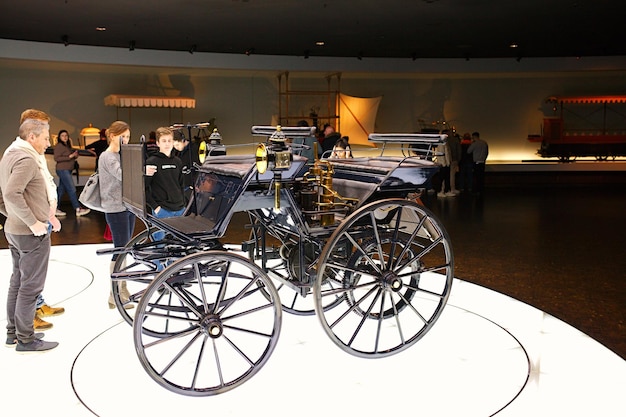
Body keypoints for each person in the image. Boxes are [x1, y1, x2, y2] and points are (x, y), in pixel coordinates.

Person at [0, 117, 59, 351]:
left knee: (18, 282)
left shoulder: (9, 154)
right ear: (31, 137)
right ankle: (26, 339)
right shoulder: (26, 159)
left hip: (15, 230)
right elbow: (12, 194)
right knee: (30, 287)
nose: (48, 143)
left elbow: (4, 195)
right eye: (45, 138)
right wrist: (33, 222)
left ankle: (13, 333)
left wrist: (13, 217)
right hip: (29, 234)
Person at [17, 109, 65, 331]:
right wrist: (32, 220)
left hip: (42, 217)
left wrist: (50, 212)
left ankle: (39, 303)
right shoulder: (23, 155)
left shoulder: (35, 153)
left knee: (35, 272)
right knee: (30, 275)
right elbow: (11, 193)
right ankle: (29, 318)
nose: (48, 136)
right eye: (43, 127)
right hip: (31, 223)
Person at [99, 121, 135, 309]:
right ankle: (115, 293)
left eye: (128, 137)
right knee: (120, 250)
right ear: (112, 135)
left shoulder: (117, 155)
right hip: (115, 208)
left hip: (125, 206)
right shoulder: (108, 157)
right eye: (123, 136)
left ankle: (122, 288)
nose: (126, 140)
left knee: (124, 249)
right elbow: (123, 175)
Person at [145, 127, 186, 241]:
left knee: (178, 245)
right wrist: (156, 207)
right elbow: (144, 188)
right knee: (159, 246)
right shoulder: (151, 162)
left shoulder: (178, 161)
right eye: (164, 141)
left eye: (169, 140)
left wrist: (184, 204)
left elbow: (181, 185)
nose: (167, 144)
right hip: (162, 210)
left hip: (179, 209)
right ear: (158, 143)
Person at [53, 129, 91, 217]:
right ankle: (77, 208)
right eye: (62, 136)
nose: (65, 137)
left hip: (67, 170)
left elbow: (68, 157)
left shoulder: (67, 146)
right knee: (71, 189)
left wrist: (74, 156)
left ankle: (54, 209)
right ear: (59, 137)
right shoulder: (59, 146)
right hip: (63, 170)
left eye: (66, 135)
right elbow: (57, 158)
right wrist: (70, 156)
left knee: (61, 190)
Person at [173, 131, 200, 203]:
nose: (176, 148)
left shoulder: (195, 149)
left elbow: (198, 167)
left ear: (182, 140)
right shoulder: (177, 153)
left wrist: (196, 183)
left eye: (177, 145)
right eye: (174, 146)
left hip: (193, 185)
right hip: (183, 186)